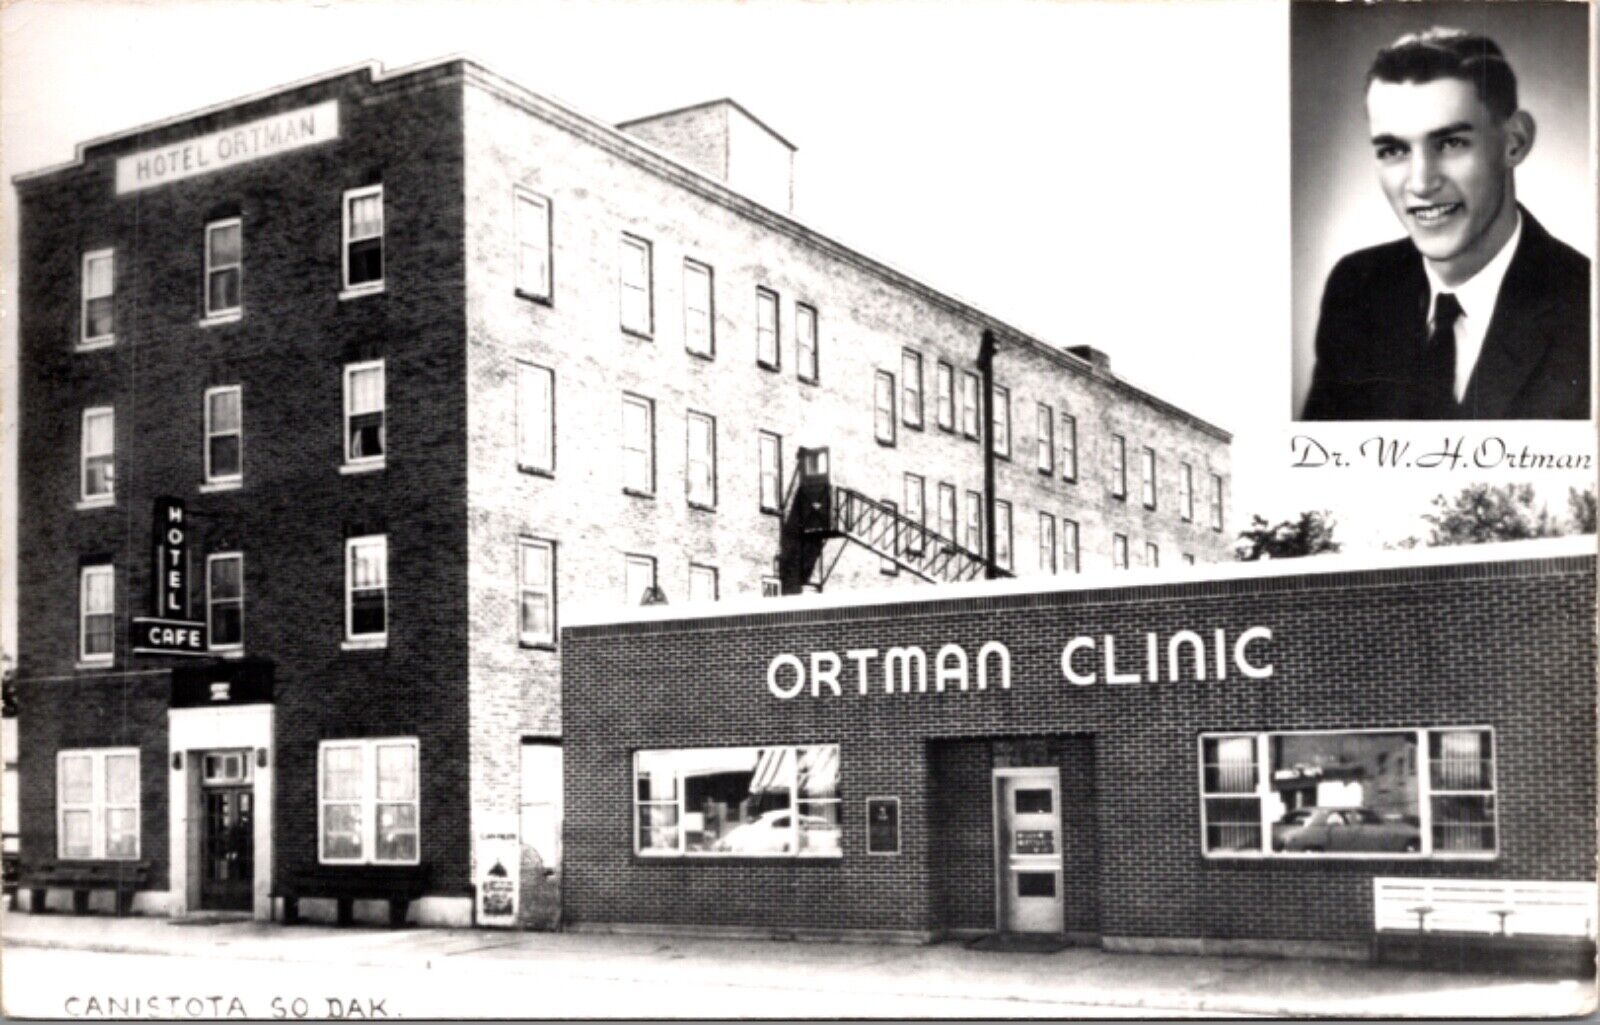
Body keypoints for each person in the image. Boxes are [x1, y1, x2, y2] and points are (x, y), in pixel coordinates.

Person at [1301, 28, 1591, 421]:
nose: (1420, 183)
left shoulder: (1586, 304)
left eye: (1451, 143)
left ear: (1515, 142)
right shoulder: (1356, 289)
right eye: (1393, 150)